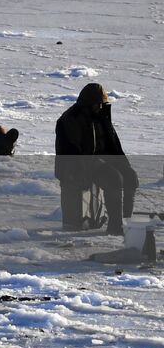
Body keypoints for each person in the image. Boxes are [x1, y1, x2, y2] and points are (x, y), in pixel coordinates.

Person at [55, 83, 137, 235]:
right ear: (90, 103)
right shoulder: (70, 119)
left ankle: (128, 223)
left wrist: (124, 165)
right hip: (79, 164)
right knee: (114, 178)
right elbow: (72, 152)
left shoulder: (101, 117)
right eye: (98, 104)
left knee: (131, 177)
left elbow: (114, 146)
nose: (101, 107)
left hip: (101, 159)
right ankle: (116, 227)